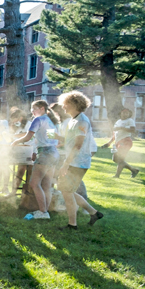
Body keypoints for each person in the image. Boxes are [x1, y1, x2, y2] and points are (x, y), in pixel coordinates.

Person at [57, 91, 104, 230]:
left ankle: (72, 225)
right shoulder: (74, 120)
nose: (63, 107)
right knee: (67, 191)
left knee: (67, 193)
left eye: (65, 104)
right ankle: (94, 213)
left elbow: (78, 144)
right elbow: (71, 141)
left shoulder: (82, 121)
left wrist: (66, 164)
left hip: (77, 162)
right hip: (73, 161)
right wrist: (59, 138)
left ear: (74, 104)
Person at [12, 100, 60, 219]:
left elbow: (28, 136)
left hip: (45, 153)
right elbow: (50, 139)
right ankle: (45, 212)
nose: (32, 112)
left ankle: (43, 212)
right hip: (53, 153)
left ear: (42, 108)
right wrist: (35, 151)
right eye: (31, 110)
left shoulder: (38, 120)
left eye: (34, 109)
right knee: (46, 185)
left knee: (34, 183)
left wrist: (15, 142)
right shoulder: (49, 120)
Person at [103, 108, 140, 178]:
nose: (126, 114)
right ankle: (134, 170)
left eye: (127, 113)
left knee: (120, 159)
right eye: (124, 113)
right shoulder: (118, 122)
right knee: (115, 159)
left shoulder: (130, 121)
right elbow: (115, 134)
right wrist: (109, 143)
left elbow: (133, 130)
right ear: (120, 113)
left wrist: (121, 128)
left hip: (126, 141)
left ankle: (117, 175)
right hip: (118, 142)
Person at [8, 108, 32, 197]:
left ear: (21, 117)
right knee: (20, 171)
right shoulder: (18, 127)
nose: (14, 121)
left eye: (15, 118)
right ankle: (13, 191)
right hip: (21, 152)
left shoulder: (29, 124)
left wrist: (14, 136)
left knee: (30, 172)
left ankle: (27, 192)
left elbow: (27, 135)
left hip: (31, 150)